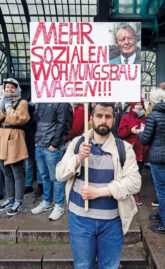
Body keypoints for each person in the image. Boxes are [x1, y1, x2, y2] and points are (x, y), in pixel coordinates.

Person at [56, 103, 141, 269]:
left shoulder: (124, 148)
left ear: (114, 120)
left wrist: (101, 192)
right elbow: (59, 174)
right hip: (79, 220)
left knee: (109, 266)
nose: (103, 120)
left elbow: (135, 182)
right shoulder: (77, 143)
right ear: (91, 118)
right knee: (82, 266)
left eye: (108, 117)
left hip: (112, 222)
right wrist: (78, 158)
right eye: (99, 116)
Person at [31, 102, 69, 221]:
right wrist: (37, 141)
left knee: (56, 178)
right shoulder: (40, 102)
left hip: (51, 147)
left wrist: (55, 144)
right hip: (40, 145)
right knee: (44, 176)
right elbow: (35, 122)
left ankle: (59, 205)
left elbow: (63, 123)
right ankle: (47, 202)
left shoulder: (60, 102)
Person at [136, 89, 165, 234]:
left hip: (158, 158)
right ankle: (160, 215)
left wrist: (139, 133)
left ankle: (164, 223)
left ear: (152, 101)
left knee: (161, 191)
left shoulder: (153, 115)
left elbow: (145, 139)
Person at [0, 78, 30, 215]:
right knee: (6, 171)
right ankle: (10, 199)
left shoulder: (22, 102)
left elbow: (16, 119)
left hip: (15, 138)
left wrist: (8, 108)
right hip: (2, 138)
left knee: (17, 172)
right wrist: (3, 104)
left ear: (17, 89)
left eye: (12, 87)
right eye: (7, 87)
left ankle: (18, 201)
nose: (9, 90)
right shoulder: (3, 101)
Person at [118, 98, 148, 206]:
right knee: (129, 172)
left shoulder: (145, 118)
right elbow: (120, 133)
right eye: (137, 104)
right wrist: (130, 131)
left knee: (138, 172)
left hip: (143, 149)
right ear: (133, 105)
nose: (139, 106)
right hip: (131, 149)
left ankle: (135, 192)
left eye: (141, 104)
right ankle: (130, 193)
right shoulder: (126, 117)